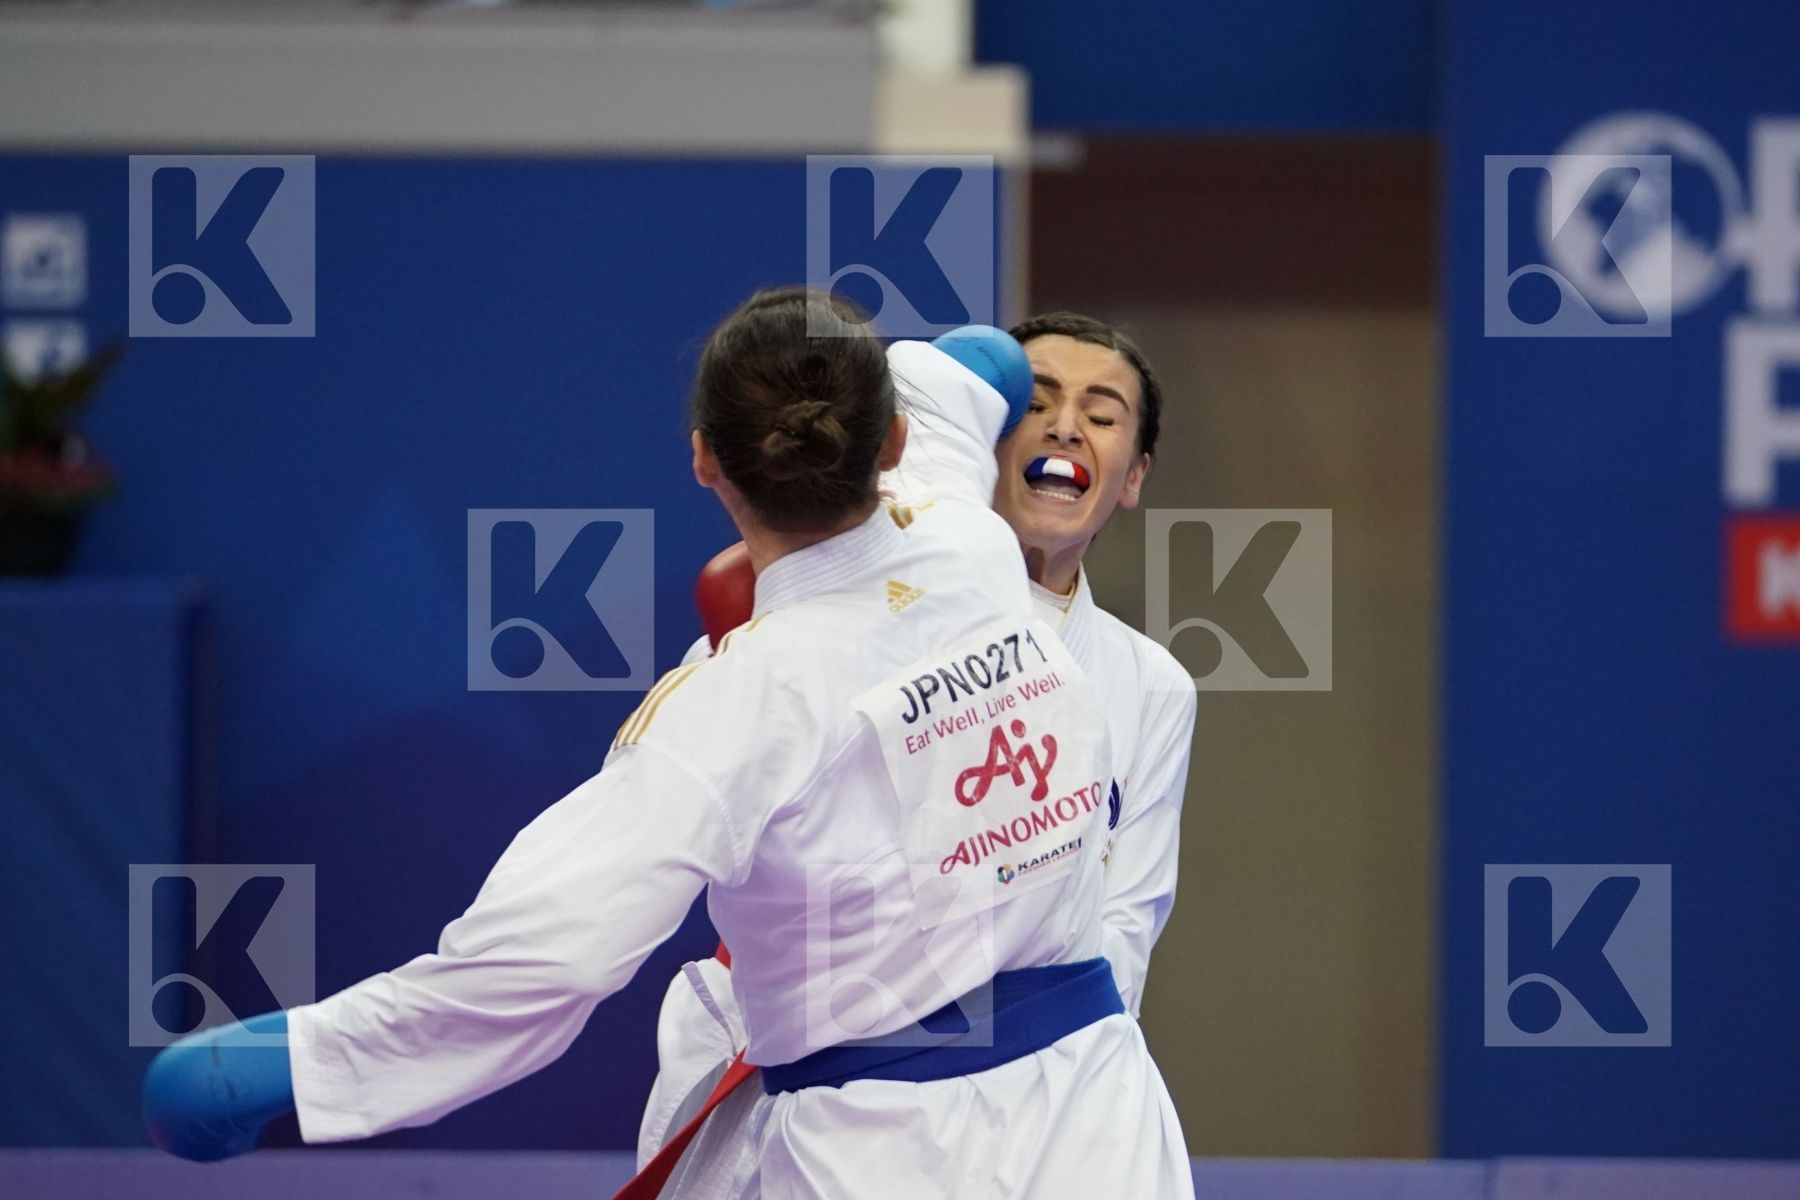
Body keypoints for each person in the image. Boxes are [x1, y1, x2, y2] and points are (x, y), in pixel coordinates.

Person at [142, 289, 1195, 1200]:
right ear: (891, 447)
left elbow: (537, 962)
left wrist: (295, 1064)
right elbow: (972, 369)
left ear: (702, 461)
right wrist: (971, 375)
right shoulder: (962, 531)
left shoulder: (731, 706)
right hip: (1097, 1121)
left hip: (882, 1152)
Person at [636, 312, 1198, 1197]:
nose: (1064, 426)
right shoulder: (818, 616)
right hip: (825, 1072)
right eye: (1037, 400)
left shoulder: (1152, 684)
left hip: (1043, 1094)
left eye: (1103, 412)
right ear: (978, 436)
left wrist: (1062, 1090)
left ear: (1133, 476)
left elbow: (1126, 918)